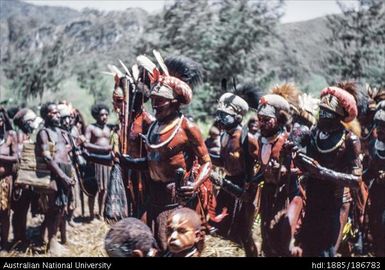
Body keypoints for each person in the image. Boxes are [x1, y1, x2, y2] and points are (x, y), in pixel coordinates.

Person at [121, 52, 211, 251]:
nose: (154, 104)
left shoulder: (187, 128)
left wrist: (194, 184)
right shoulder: (153, 127)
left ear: (175, 102)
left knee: (173, 245)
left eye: (160, 100)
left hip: (175, 198)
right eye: (153, 99)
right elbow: (151, 162)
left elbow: (207, 162)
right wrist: (125, 161)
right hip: (153, 195)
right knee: (142, 241)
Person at [294, 86, 362, 257]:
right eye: (321, 111)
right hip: (312, 199)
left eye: (327, 113)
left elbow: (356, 180)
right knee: (308, 247)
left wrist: (322, 172)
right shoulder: (315, 133)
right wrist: (295, 153)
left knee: (326, 252)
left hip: (333, 203)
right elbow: (303, 157)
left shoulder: (349, 140)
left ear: (339, 117)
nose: (321, 116)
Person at [209, 92, 259, 257]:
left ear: (238, 117)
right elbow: (224, 162)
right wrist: (204, 156)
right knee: (221, 226)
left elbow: (260, 165)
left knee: (242, 232)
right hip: (227, 184)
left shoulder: (247, 138)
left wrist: (250, 189)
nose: (221, 119)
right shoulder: (224, 136)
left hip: (243, 188)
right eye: (220, 115)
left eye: (226, 116)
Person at [36, 102, 76, 254]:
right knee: (52, 208)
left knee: (60, 208)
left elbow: (65, 150)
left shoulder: (62, 132)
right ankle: (51, 243)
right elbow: (47, 158)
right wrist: (63, 176)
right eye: (54, 113)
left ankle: (53, 239)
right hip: (53, 173)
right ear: (46, 115)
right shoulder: (43, 133)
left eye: (58, 113)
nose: (57, 115)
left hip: (65, 171)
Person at [11, 108, 42, 249]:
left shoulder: (29, 135)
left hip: (28, 177)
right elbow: (18, 157)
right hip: (20, 177)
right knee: (20, 209)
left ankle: (21, 236)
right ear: (25, 123)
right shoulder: (18, 135)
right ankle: (19, 238)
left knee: (24, 208)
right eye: (31, 121)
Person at [83, 103, 112, 221]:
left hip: (106, 162)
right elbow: (85, 143)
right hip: (94, 160)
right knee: (93, 188)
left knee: (104, 189)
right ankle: (91, 214)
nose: (104, 117)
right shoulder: (91, 128)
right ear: (96, 116)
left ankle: (100, 213)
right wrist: (103, 149)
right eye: (101, 115)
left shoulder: (110, 128)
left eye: (106, 114)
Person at [364, 101, 385, 256]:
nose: (380, 130)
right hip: (377, 193)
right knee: (375, 225)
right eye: (378, 126)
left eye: (383, 126)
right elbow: (370, 171)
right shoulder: (372, 145)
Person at [0, 107, 18, 250]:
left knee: (5, 213)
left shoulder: (10, 136)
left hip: (5, 181)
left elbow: (15, 158)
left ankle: (5, 243)